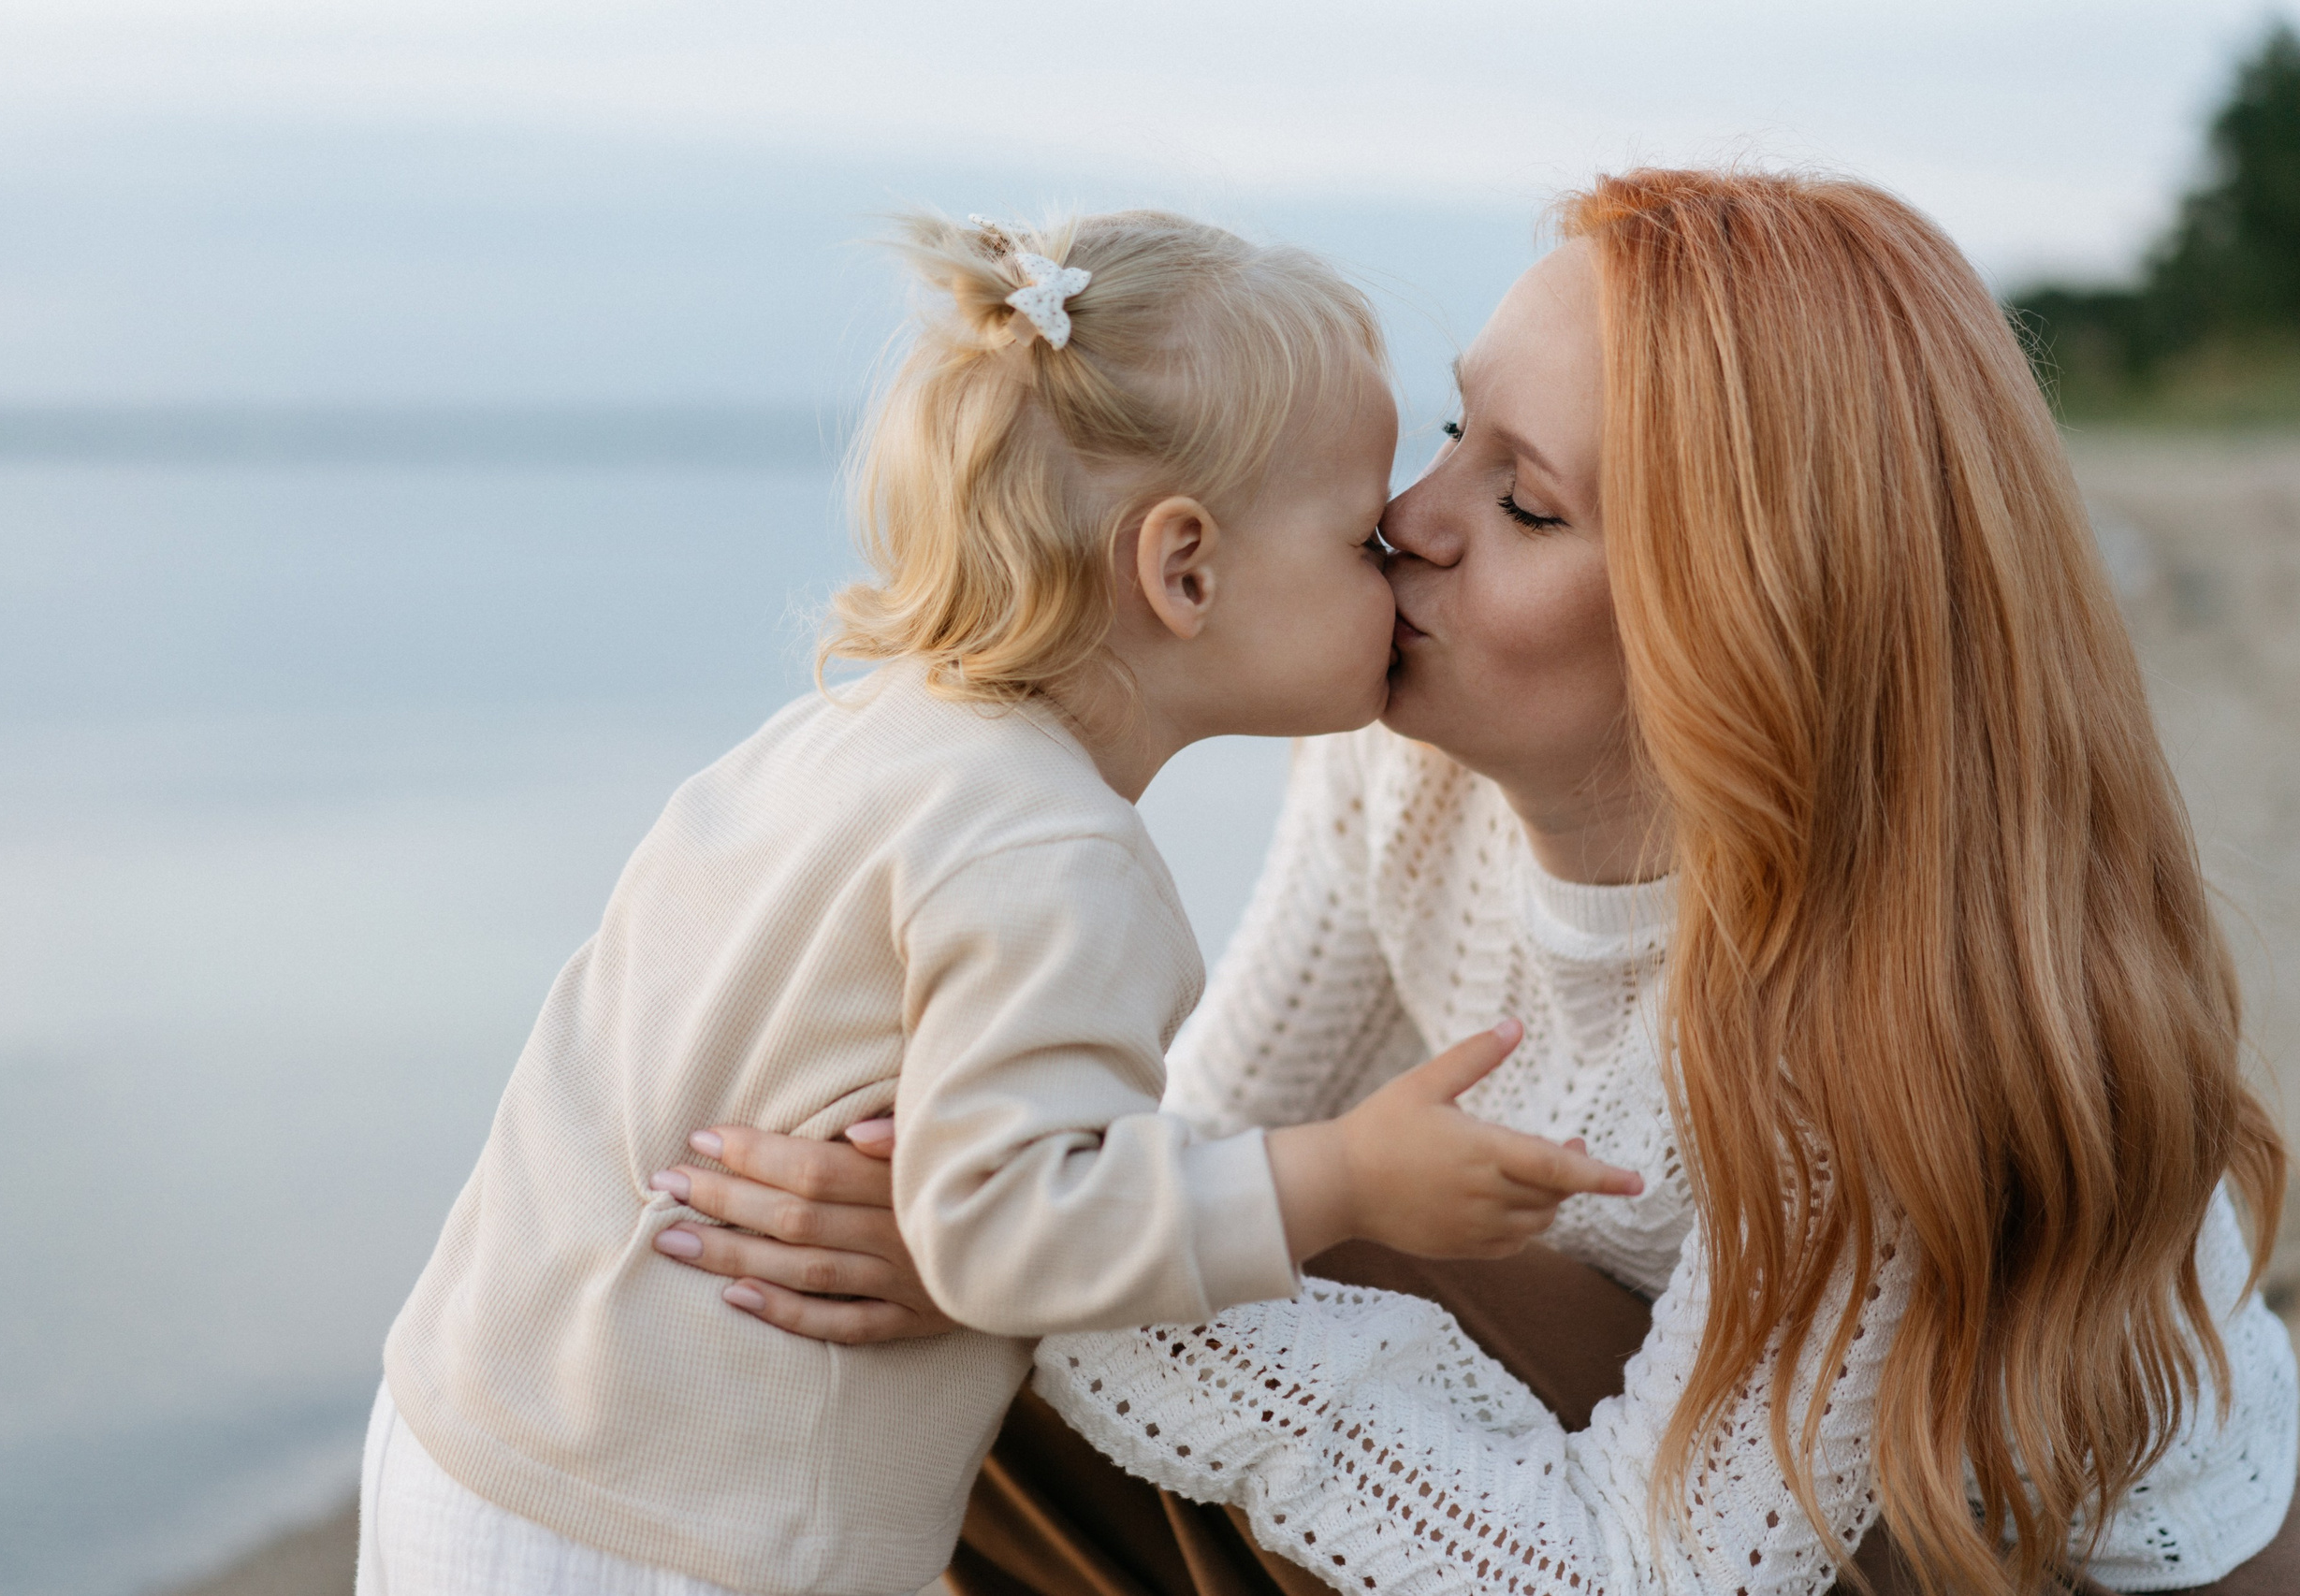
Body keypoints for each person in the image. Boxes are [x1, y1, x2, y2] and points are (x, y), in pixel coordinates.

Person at [655, 172, 2300, 1595]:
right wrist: (989, 1229)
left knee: (1202, 1273)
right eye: (1455, 434)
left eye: (1524, 502)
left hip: (2003, 1546)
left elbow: (1650, 1570)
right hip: (1676, 1432)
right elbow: (1202, 1132)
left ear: (1750, 629)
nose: (1406, 523)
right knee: (943, 1226)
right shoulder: (1402, 772)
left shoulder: (1878, 1014)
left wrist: (1024, 1285)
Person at [358, 209, 1644, 1596]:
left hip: (475, 1431)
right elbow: (994, 1235)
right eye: (1351, 534)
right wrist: (1342, 1177)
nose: (1400, 539)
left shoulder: (852, 742)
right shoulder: (1061, 854)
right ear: (1184, 570)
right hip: (688, 1539)